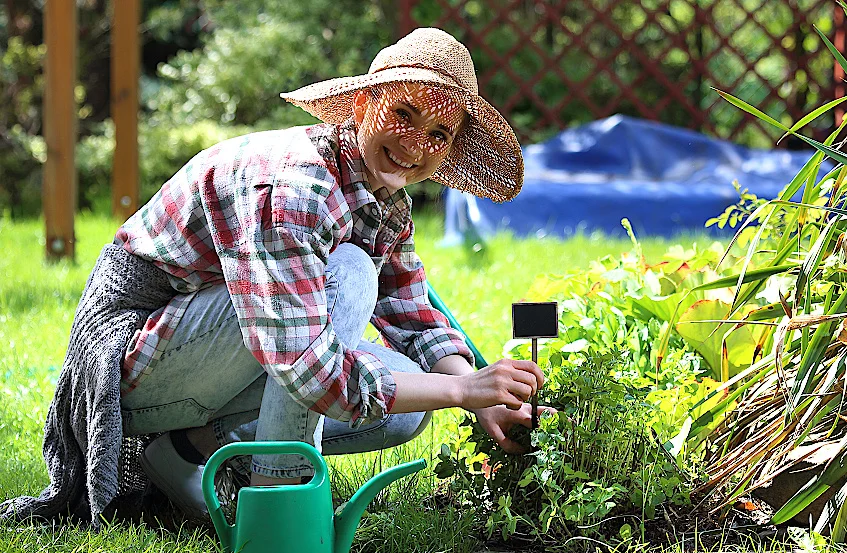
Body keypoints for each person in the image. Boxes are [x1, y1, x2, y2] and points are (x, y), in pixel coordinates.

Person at [2, 27, 549, 524]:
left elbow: (410, 306)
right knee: (353, 274)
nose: (415, 142)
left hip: (215, 352)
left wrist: (475, 394)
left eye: (439, 132)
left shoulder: (383, 199)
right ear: (364, 103)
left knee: (409, 410)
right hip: (129, 360)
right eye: (404, 114)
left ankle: (182, 455)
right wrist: (462, 386)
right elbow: (310, 371)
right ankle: (278, 496)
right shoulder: (298, 185)